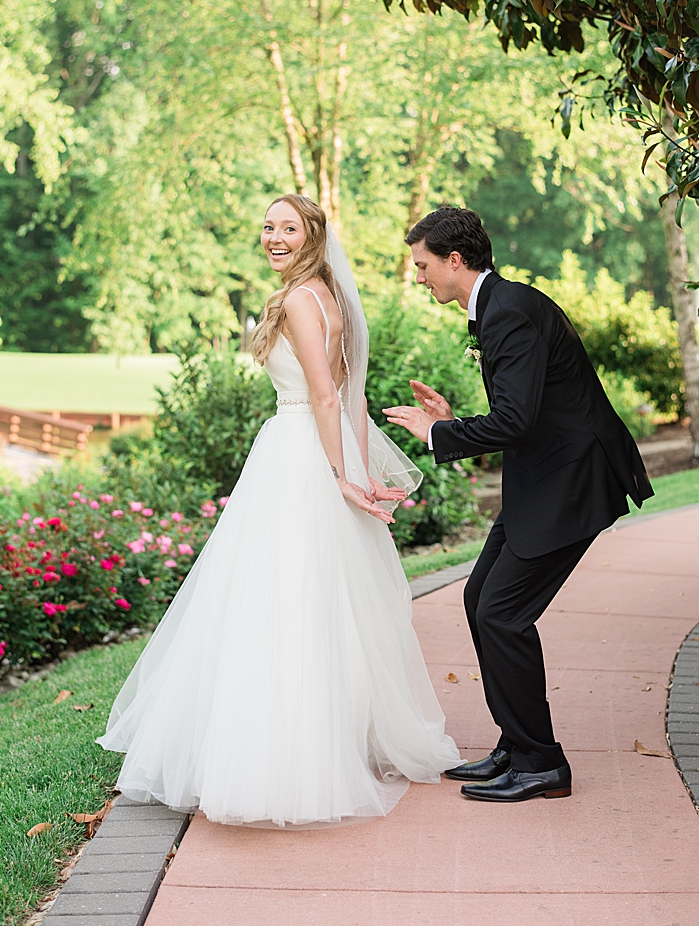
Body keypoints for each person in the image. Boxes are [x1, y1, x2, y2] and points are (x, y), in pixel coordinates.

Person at [99, 193, 460, 828]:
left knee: (275, 604)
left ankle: (279, 763)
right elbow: (351, 392)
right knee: (326, 605)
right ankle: (330, 743)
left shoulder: (297, 299)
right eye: (268, 227)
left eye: (288, 228)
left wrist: (343, 475)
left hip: (299, 456)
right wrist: (355, 465)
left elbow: (324, 395)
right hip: (322, 451)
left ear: (313, 235)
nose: (274, 237)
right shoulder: (331, 296)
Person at [384, 206, 652, 803]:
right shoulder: (500, 306)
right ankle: (517, 742)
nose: (420, 277)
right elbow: (521, 410)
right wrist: (453, 423)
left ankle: (542, 762)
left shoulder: (509, 314)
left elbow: (515, 418)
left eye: (423, 266)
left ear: (454, 260)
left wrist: (437, 436)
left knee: (502, 612)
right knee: (481, 598)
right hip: (544, 477)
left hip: (572, 481)